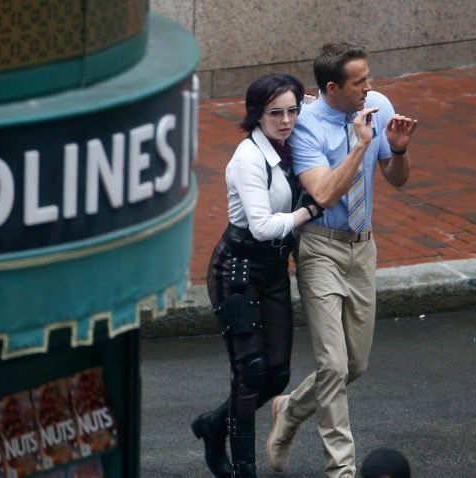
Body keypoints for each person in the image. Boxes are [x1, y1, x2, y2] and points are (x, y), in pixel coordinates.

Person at [265, 43, 419, 478]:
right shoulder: (306, 127)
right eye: (359, 82)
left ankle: (290, 409)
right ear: (332, 87)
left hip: (362, 247)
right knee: (332, 364)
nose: (369, 89)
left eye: (368, 78)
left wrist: (399, 151)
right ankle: (342, 469)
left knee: (355, 365)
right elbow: (326, 193)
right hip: (320, 248)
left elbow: (397, 180)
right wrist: (360, 145)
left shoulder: (379, 106)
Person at [191, 74, 324, 478]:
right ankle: (243, 470)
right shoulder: (249, 158)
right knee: (250, 372)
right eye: (275, 113)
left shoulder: (291, 143)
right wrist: (309, 212)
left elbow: (330, 107)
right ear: (257, 114)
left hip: (272, 270)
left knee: (278, 373)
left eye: (292, 110)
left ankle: (216, 424)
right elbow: (263, 226)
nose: (286, 120)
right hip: (236, 269)